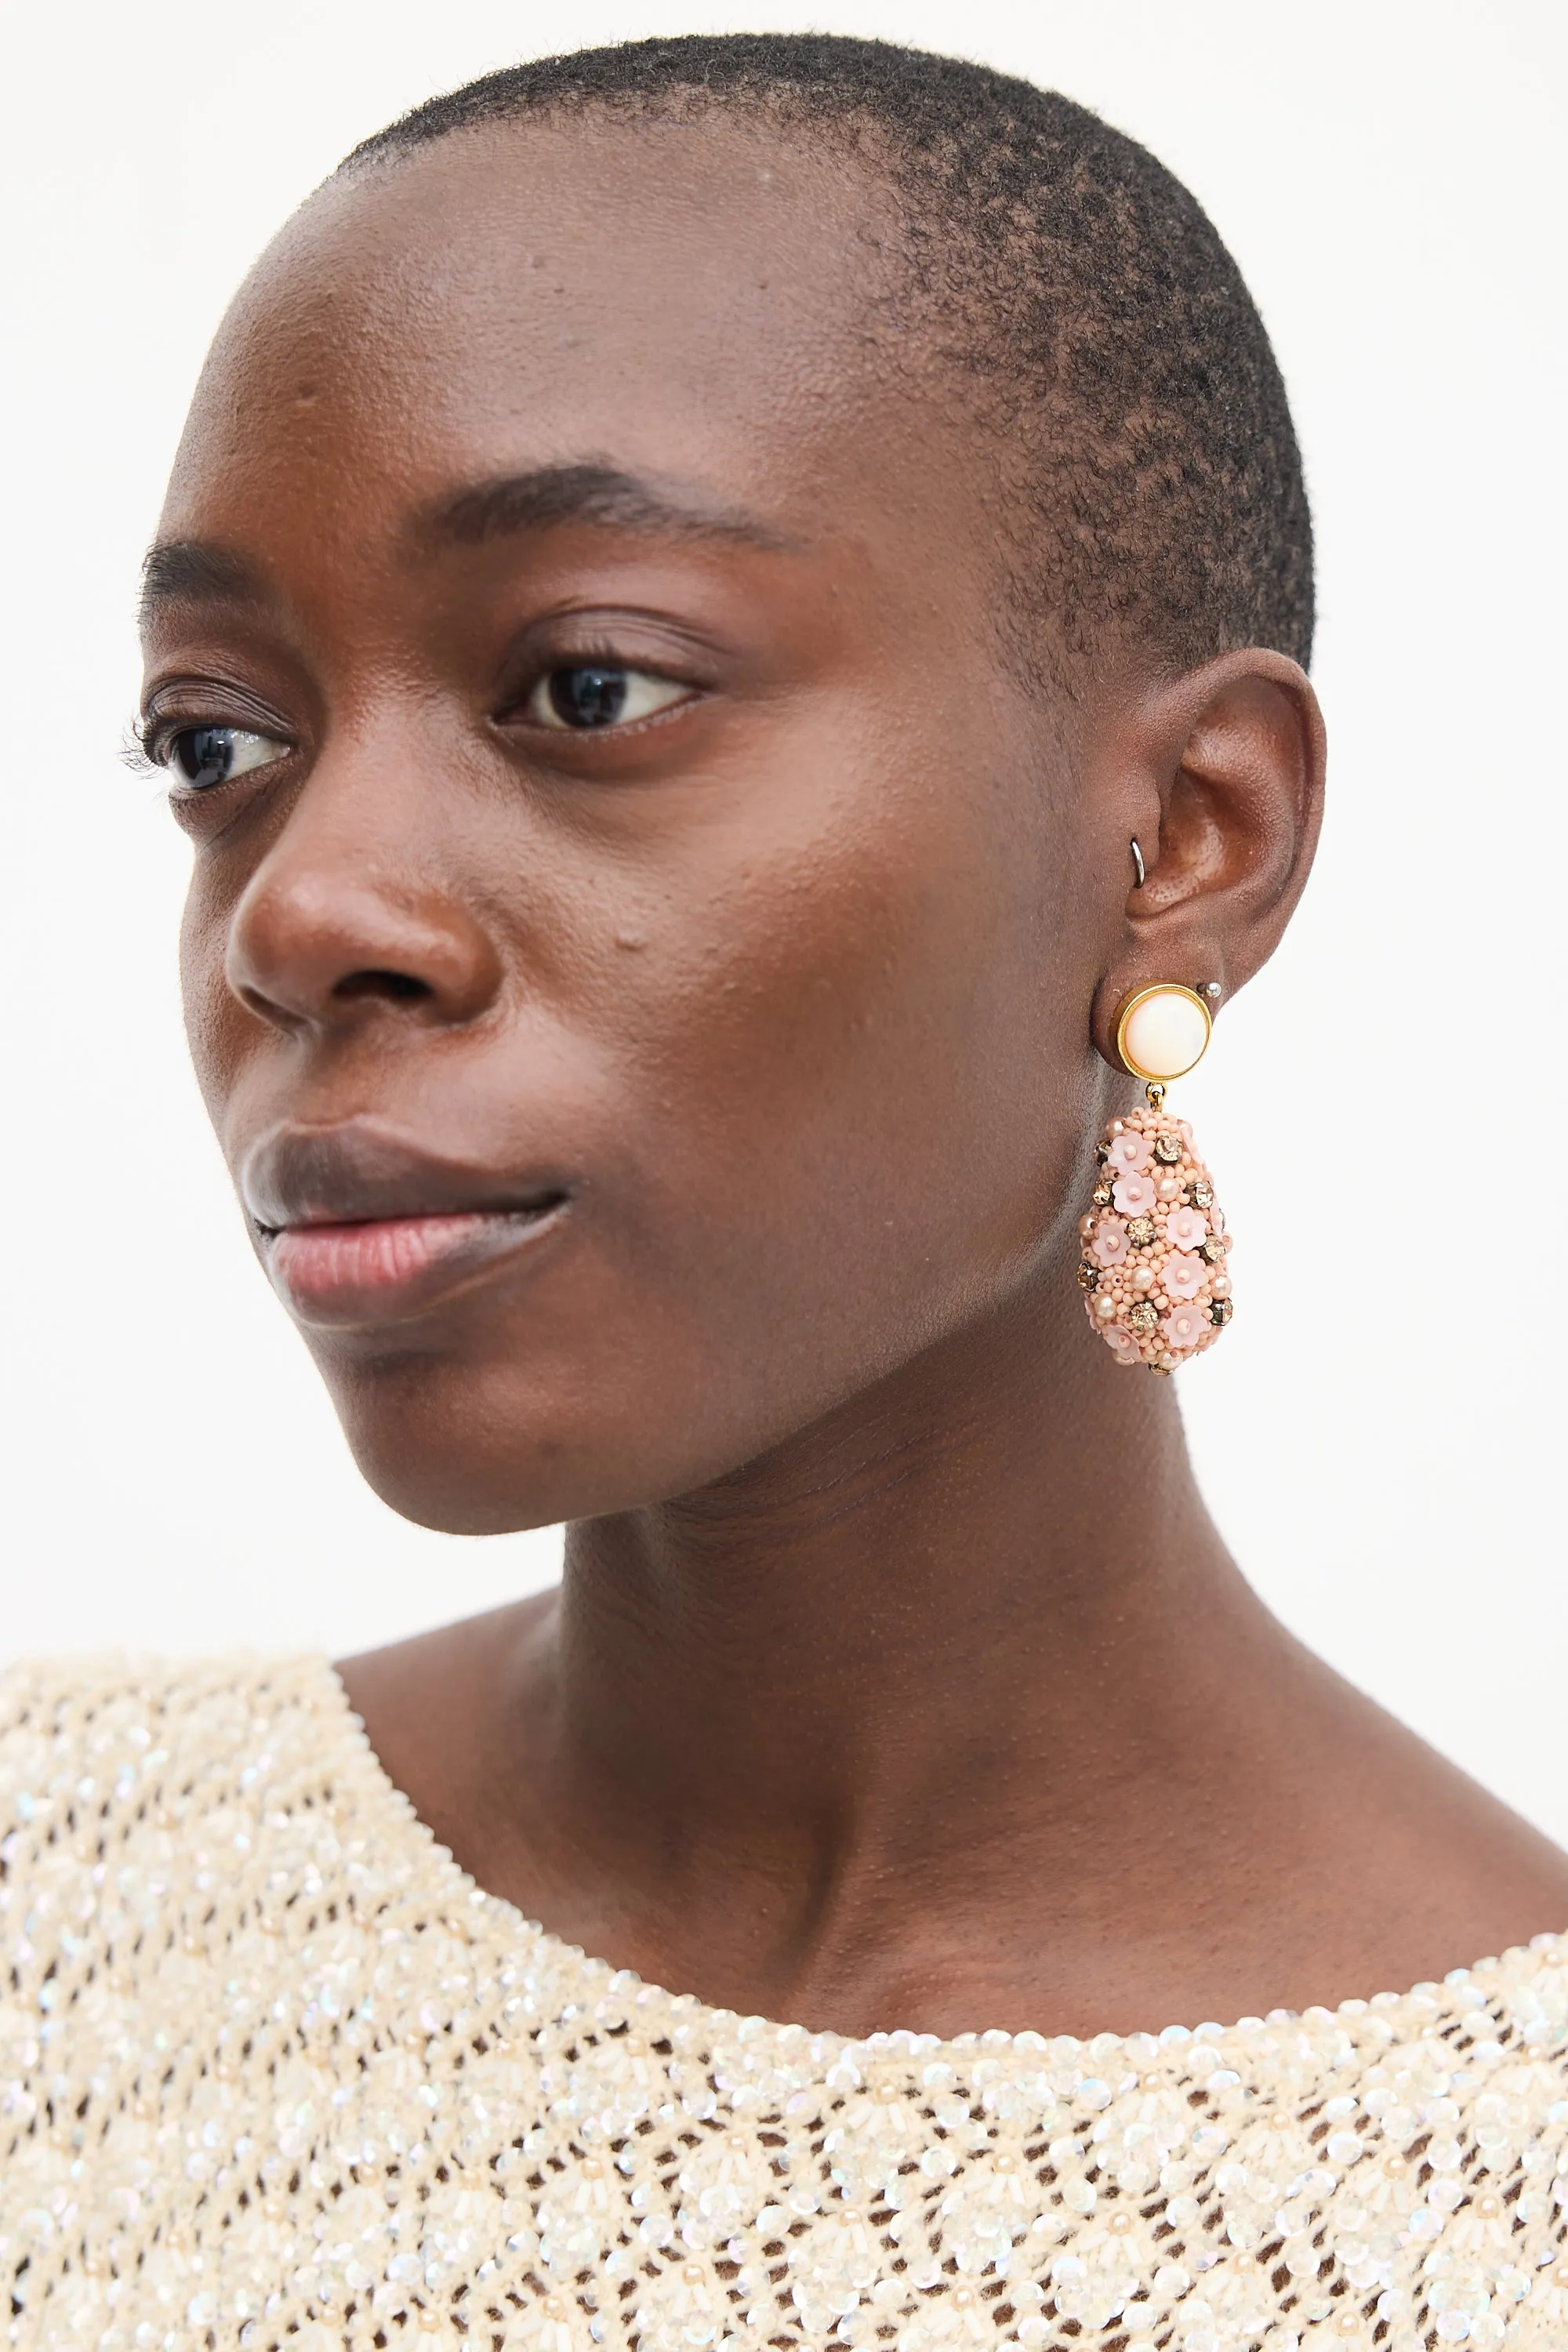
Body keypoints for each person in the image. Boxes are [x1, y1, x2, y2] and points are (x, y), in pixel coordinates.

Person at [5, 33, 1566, 2351]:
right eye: (218, 743)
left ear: (1190, 840)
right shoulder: (53, 1893)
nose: (298, 909)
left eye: (591, 690)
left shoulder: (1500, 2205)